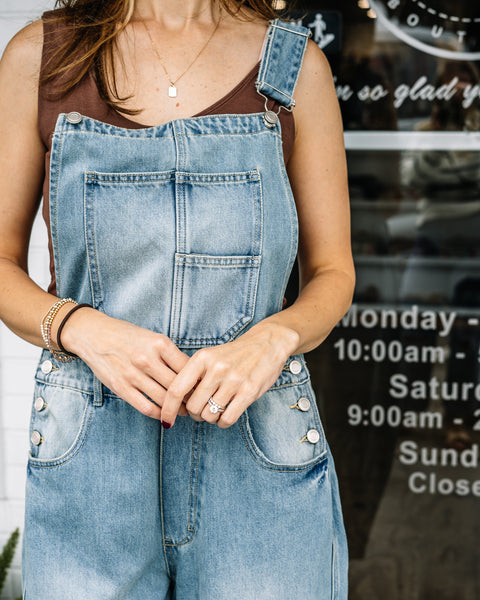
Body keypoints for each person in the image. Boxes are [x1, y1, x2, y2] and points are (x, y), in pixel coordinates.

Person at [0, 0, 355, 597]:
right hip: (91, 454)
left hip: (258, 442)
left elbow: (333, 273)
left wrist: (276, 337)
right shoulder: (41, 59)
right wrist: (82, 328)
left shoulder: (295, 66)